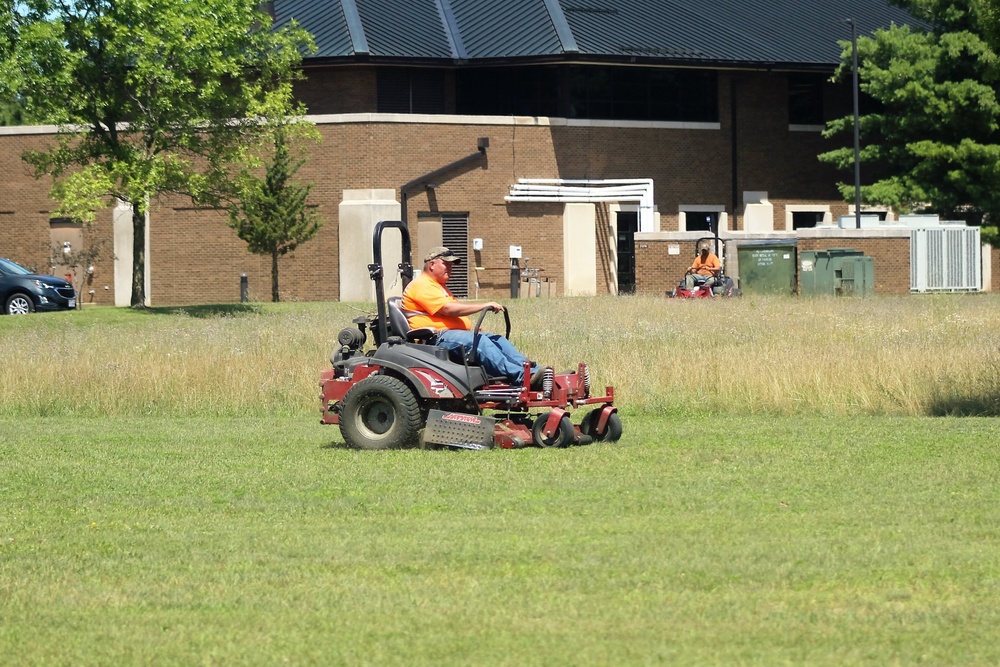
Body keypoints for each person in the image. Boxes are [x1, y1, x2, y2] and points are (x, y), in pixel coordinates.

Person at [401, 246, 550, 388]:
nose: (450, 268)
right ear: (432, 264)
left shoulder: (437, 286)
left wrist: (467, 327)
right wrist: (483, 306)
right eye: (446, 264)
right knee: (480, 342)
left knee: (497, 340)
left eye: (452, 265)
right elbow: (448, 309)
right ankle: (522, 377)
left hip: (449, 335)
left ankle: (535, 373)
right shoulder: (421, 285)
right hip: (434, 338)